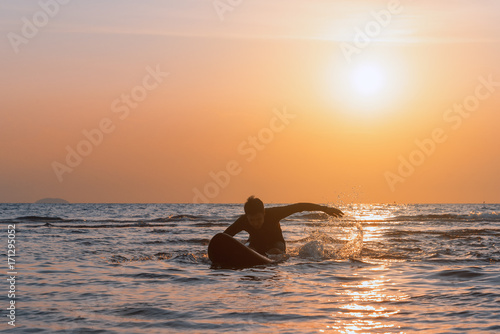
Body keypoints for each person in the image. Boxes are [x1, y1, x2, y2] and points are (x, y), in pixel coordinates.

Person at [223, 196, 344, 256]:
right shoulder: (243, 221)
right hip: (256, 245)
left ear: (264, 213)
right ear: (247, 216)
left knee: (274, 250)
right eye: (252, 220)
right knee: (250, 250)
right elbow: (225, 236)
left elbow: (299, 207)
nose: (255, 223)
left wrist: (324, 209)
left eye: (259, 219)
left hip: (276, 243)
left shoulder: (274, 214)